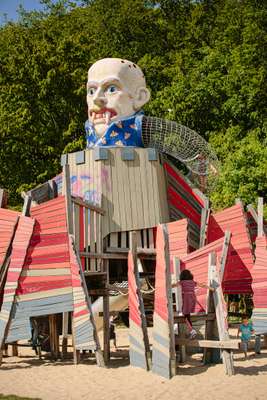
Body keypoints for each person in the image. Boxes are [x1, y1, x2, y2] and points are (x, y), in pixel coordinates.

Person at [172, 269, 214, 339]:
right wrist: (211, 288)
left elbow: (174, 285)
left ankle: (192, 330)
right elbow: (202, 285)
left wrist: (166, 286)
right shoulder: (193, 282)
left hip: (187, 299)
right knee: (186, 314)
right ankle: (191, 330)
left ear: (182, 276)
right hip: (193, 298)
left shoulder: (181, 282)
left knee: (185, 315)